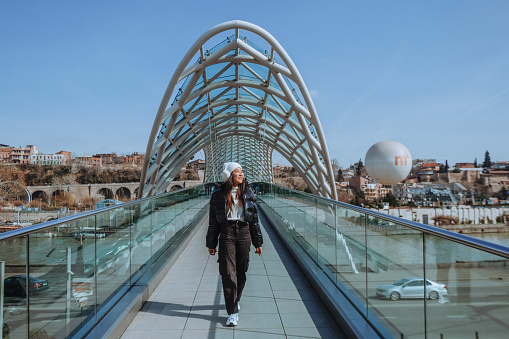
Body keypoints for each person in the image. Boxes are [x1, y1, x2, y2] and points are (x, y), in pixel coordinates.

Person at [206, 162, 263, 326]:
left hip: (244, 232)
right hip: (227, 233)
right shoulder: (218, 195)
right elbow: (213, 222)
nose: (241, 174)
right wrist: (211, 242)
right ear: (229, 175)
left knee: (241, 270)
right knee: (228, 272)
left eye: (242, 171)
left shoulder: (248, 193)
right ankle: (232, 312)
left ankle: (235, 299)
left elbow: (254, 219)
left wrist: (257, 241)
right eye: (237, 172)